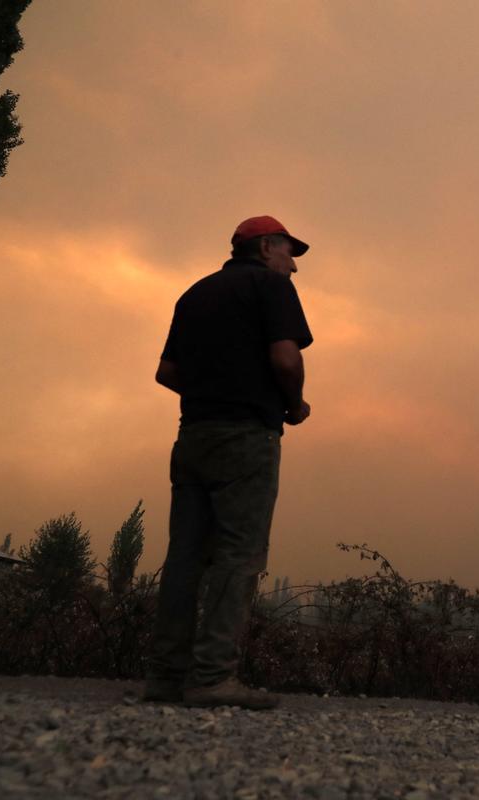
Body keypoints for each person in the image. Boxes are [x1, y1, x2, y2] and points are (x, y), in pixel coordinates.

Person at [144, 215, 314, 709]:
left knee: (185, 556)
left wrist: (210, 392)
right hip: (247, 438)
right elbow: (286, 359)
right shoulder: (271, 287)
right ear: (264, 248)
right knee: (240, 557)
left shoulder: (194, 293)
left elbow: (166, 372)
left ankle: (165, 677)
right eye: (288, 253)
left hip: (193, 436)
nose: (293, 267)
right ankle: (213, 678)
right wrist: (294, 404)